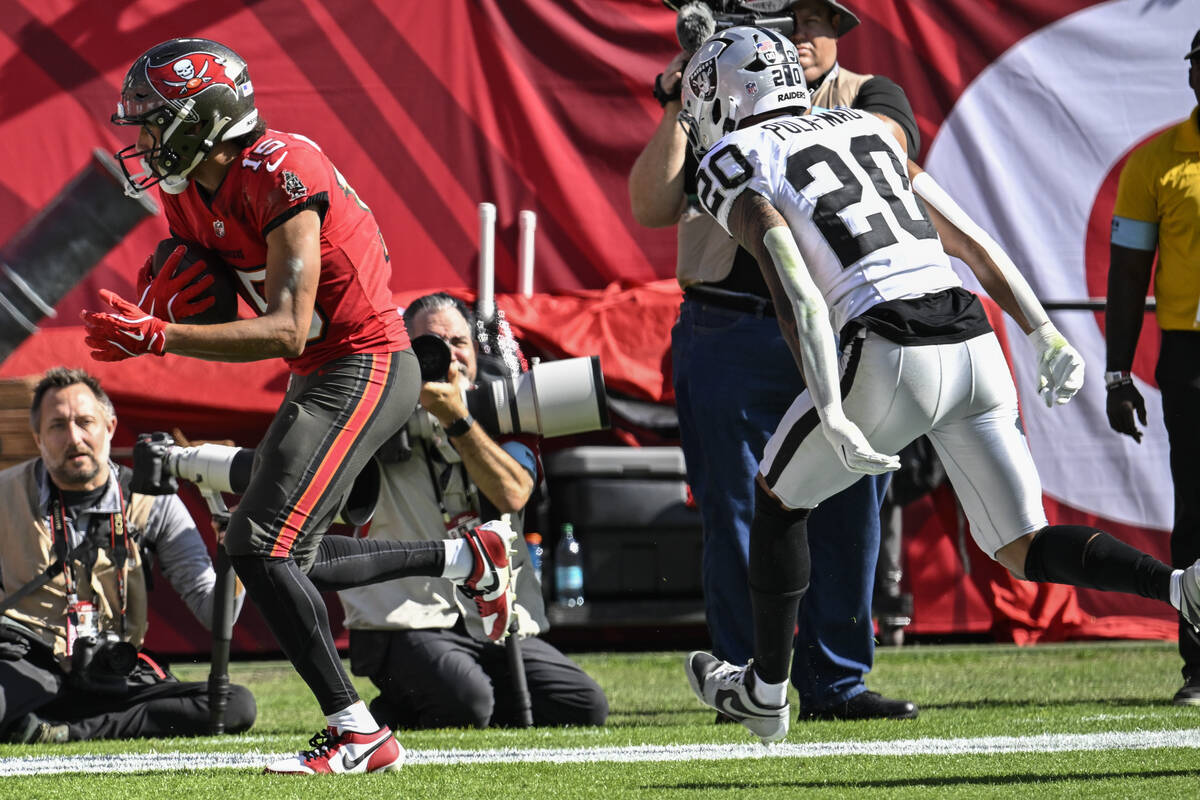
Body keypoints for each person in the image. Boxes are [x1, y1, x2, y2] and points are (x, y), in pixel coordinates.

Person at [675, 26, 1200, 744]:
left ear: (724, 95)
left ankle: (766, 692)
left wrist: (829, 404)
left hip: (886, 345)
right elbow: (970, 239)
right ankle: (1179, 587)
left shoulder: (736, 154)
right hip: (971, 337)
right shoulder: (865, 124)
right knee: (1020, 541)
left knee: (776, 495)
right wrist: (1041, 328)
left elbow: (790, 275)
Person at [83, 38, 518, 774]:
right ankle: (466, 555)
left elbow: (286, 321)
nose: (145, 140)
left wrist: (163, 335)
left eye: (156, 122)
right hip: (319, 369)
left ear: (204, 119)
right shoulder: (186, 188)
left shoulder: (283, 168)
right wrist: (165, 296)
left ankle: (359, 731)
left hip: (368, 362)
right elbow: (207, 276)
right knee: (292, 557)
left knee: (257, 545)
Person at [629, 0, 918, 720]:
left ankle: (837, 681)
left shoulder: (867, 95)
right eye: (790, 22)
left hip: (842, 324)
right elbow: (650, 204)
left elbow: (892, 153)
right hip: (726, 329)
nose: (801, 36)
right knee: (733, 510)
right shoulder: (709, 98)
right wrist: (680, 101)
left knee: (852, 506)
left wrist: (776, 110)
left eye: (815, 23)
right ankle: (745, 680)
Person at [338, 293, 609, 730]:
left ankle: (413, 706)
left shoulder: (508, 413)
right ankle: (421, 702)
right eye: (431, 342)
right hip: (404, 622)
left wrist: (458, 421)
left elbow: (512, 495)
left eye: (458, 341)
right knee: (469, 704)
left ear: (476, 352)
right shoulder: (368, 415)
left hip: (495, 621)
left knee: (582, 705)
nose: (449, 354)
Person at [0, 367, 256, 743]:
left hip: (113, 668)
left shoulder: (154, 502)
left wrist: (237, 558)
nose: (74, 437)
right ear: (38, 439)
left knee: (233, 705)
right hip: (28, 662)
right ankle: (43, 720)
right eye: (57, 426)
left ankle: (60, 732)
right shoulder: (5, 495)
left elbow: (217, 616)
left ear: (110, 427)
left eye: (86, 422)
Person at [1105, 30, 1200, 707]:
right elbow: (1128, 272)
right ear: (1192, 75)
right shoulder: (1157, 160)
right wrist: (1117, 374)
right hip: (1192, 356)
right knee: (1197, 511)